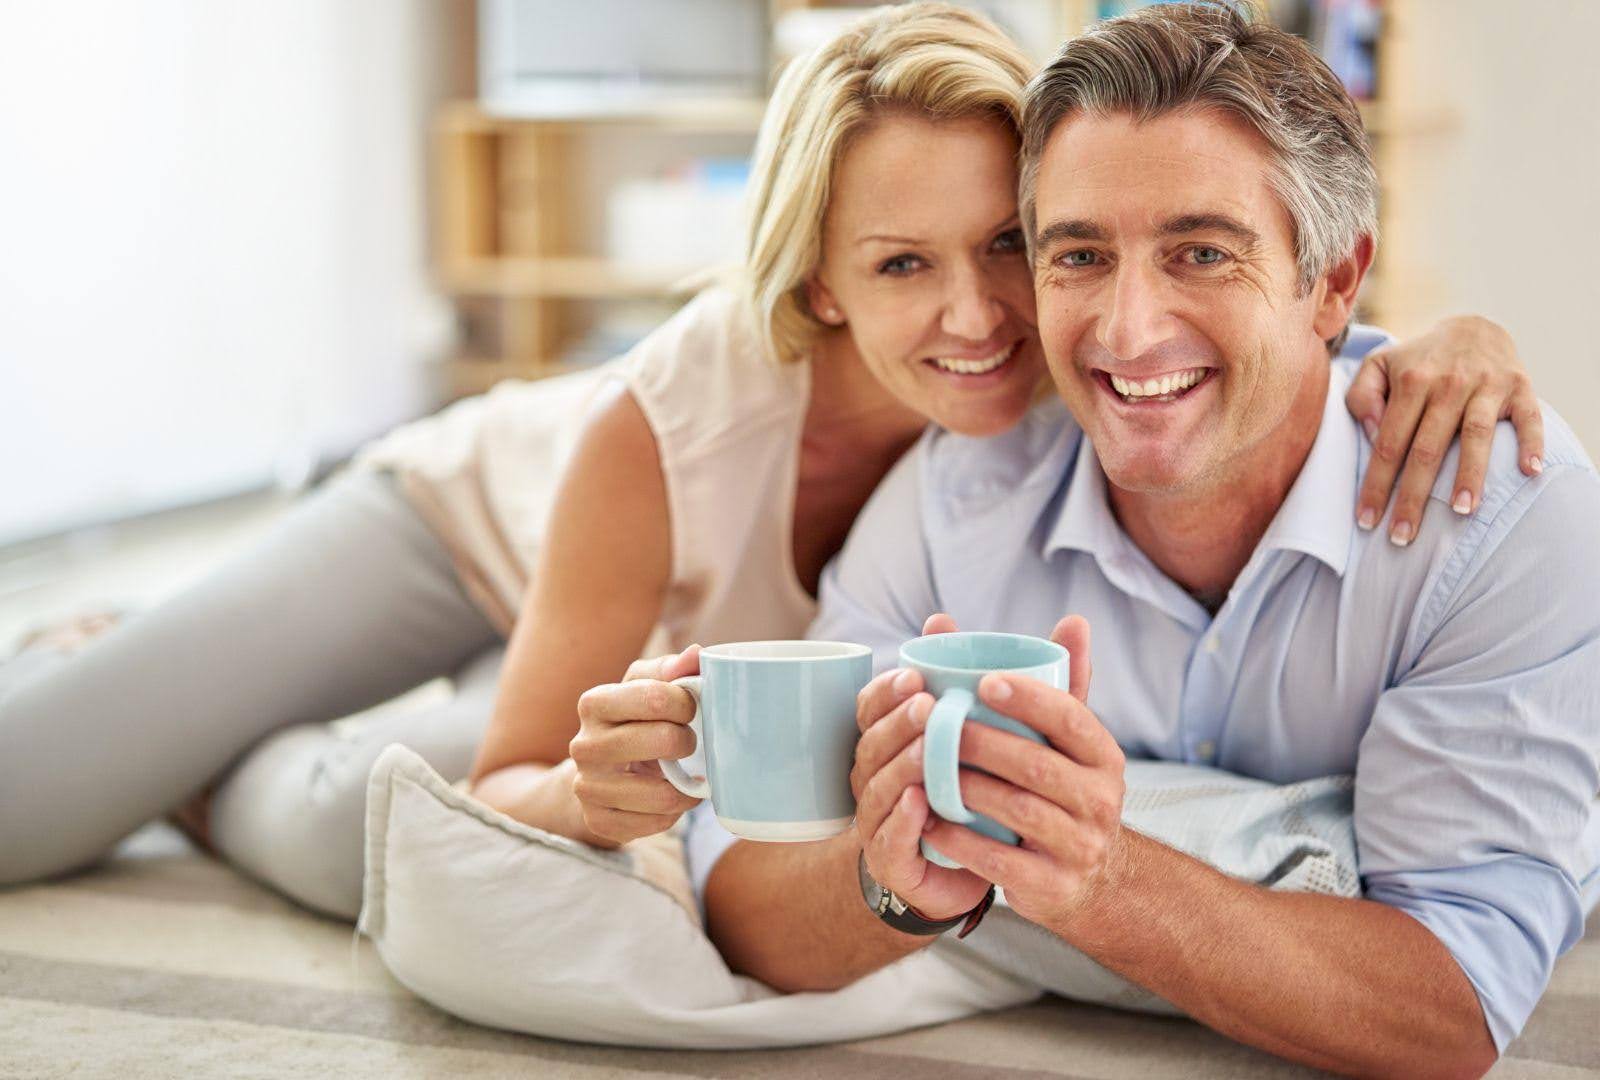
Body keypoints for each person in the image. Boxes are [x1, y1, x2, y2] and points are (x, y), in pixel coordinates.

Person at [0, 4, 1543, 925]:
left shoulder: (1095, 341)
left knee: (387, 802)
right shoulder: (660, 433)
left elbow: (1256, 307)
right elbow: (527, 778)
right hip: (471, 526)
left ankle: (207, 756)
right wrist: (595, 802)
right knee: (137, 802)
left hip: (643, 643)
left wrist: (1463, 336)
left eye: (1016, 245)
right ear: (816, 282)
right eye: (898, 266)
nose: (982, 316)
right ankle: (165, 721)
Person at [580, 6, 1599, 1075]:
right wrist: (887, 883)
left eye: (1200, 252)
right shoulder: (947, 496)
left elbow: (1454, 1010)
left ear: (1335, 283)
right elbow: (742, 894)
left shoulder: (1500, 520)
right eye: (1075, 255)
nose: (1125, 330)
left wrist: (1102, 882)